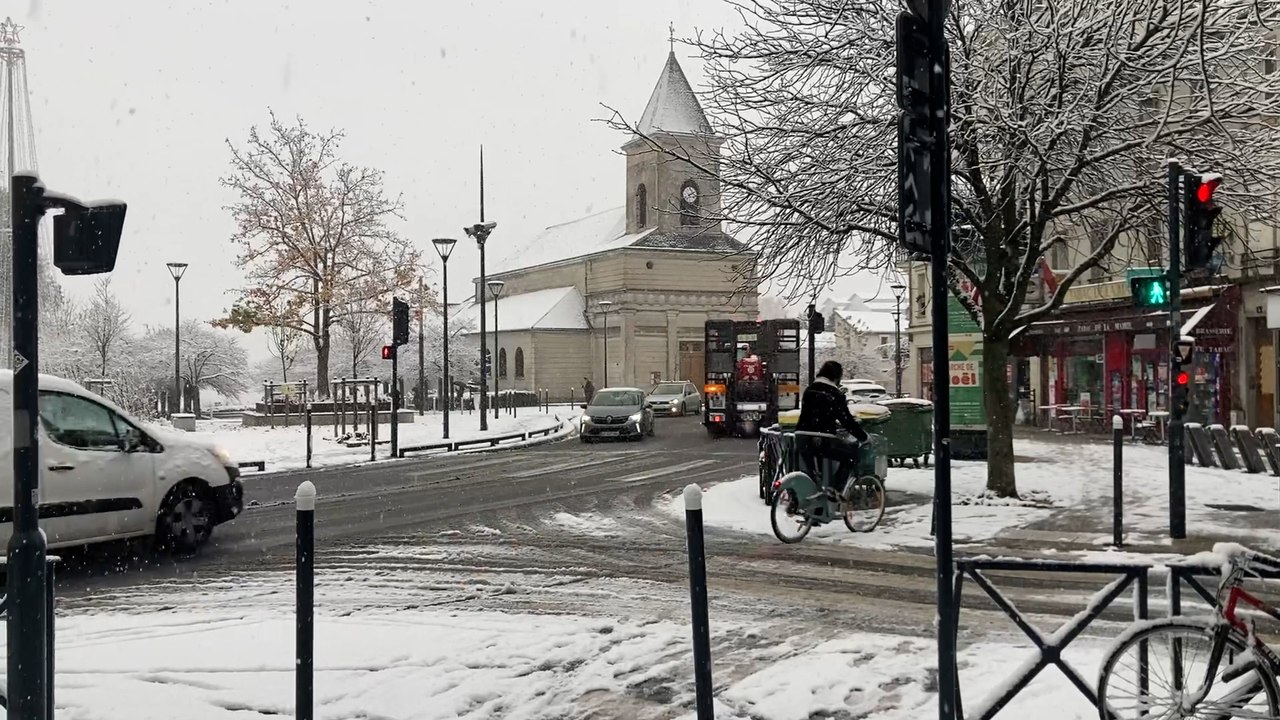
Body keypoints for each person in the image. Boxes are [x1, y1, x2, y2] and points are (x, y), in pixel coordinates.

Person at [795, 360, 869, 496]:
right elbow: (847, 421)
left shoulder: (809, 390)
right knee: (851, 456)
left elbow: (814, 413)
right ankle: (834, 490)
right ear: (836, 377)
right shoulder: (834, 394)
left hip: (801, 436)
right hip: (823, 438)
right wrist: (863, 437)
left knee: (811, 474)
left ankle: (808, 500)